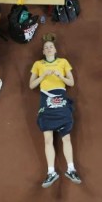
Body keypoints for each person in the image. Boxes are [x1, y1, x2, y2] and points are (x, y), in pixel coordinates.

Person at [29, 33, 82, 188]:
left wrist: (61, 76)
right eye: (46, 48)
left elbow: (71, 82)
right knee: (48, 139)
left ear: (55, 49)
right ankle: (51, 172)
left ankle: (71, 169)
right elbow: (31, 85)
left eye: (51, 47)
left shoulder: (63, 62)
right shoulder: (38, 64)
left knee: (66, 138)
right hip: (46, 100)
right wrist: (43, 76)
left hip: (61, 97)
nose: (49, 49)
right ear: (43, 52)